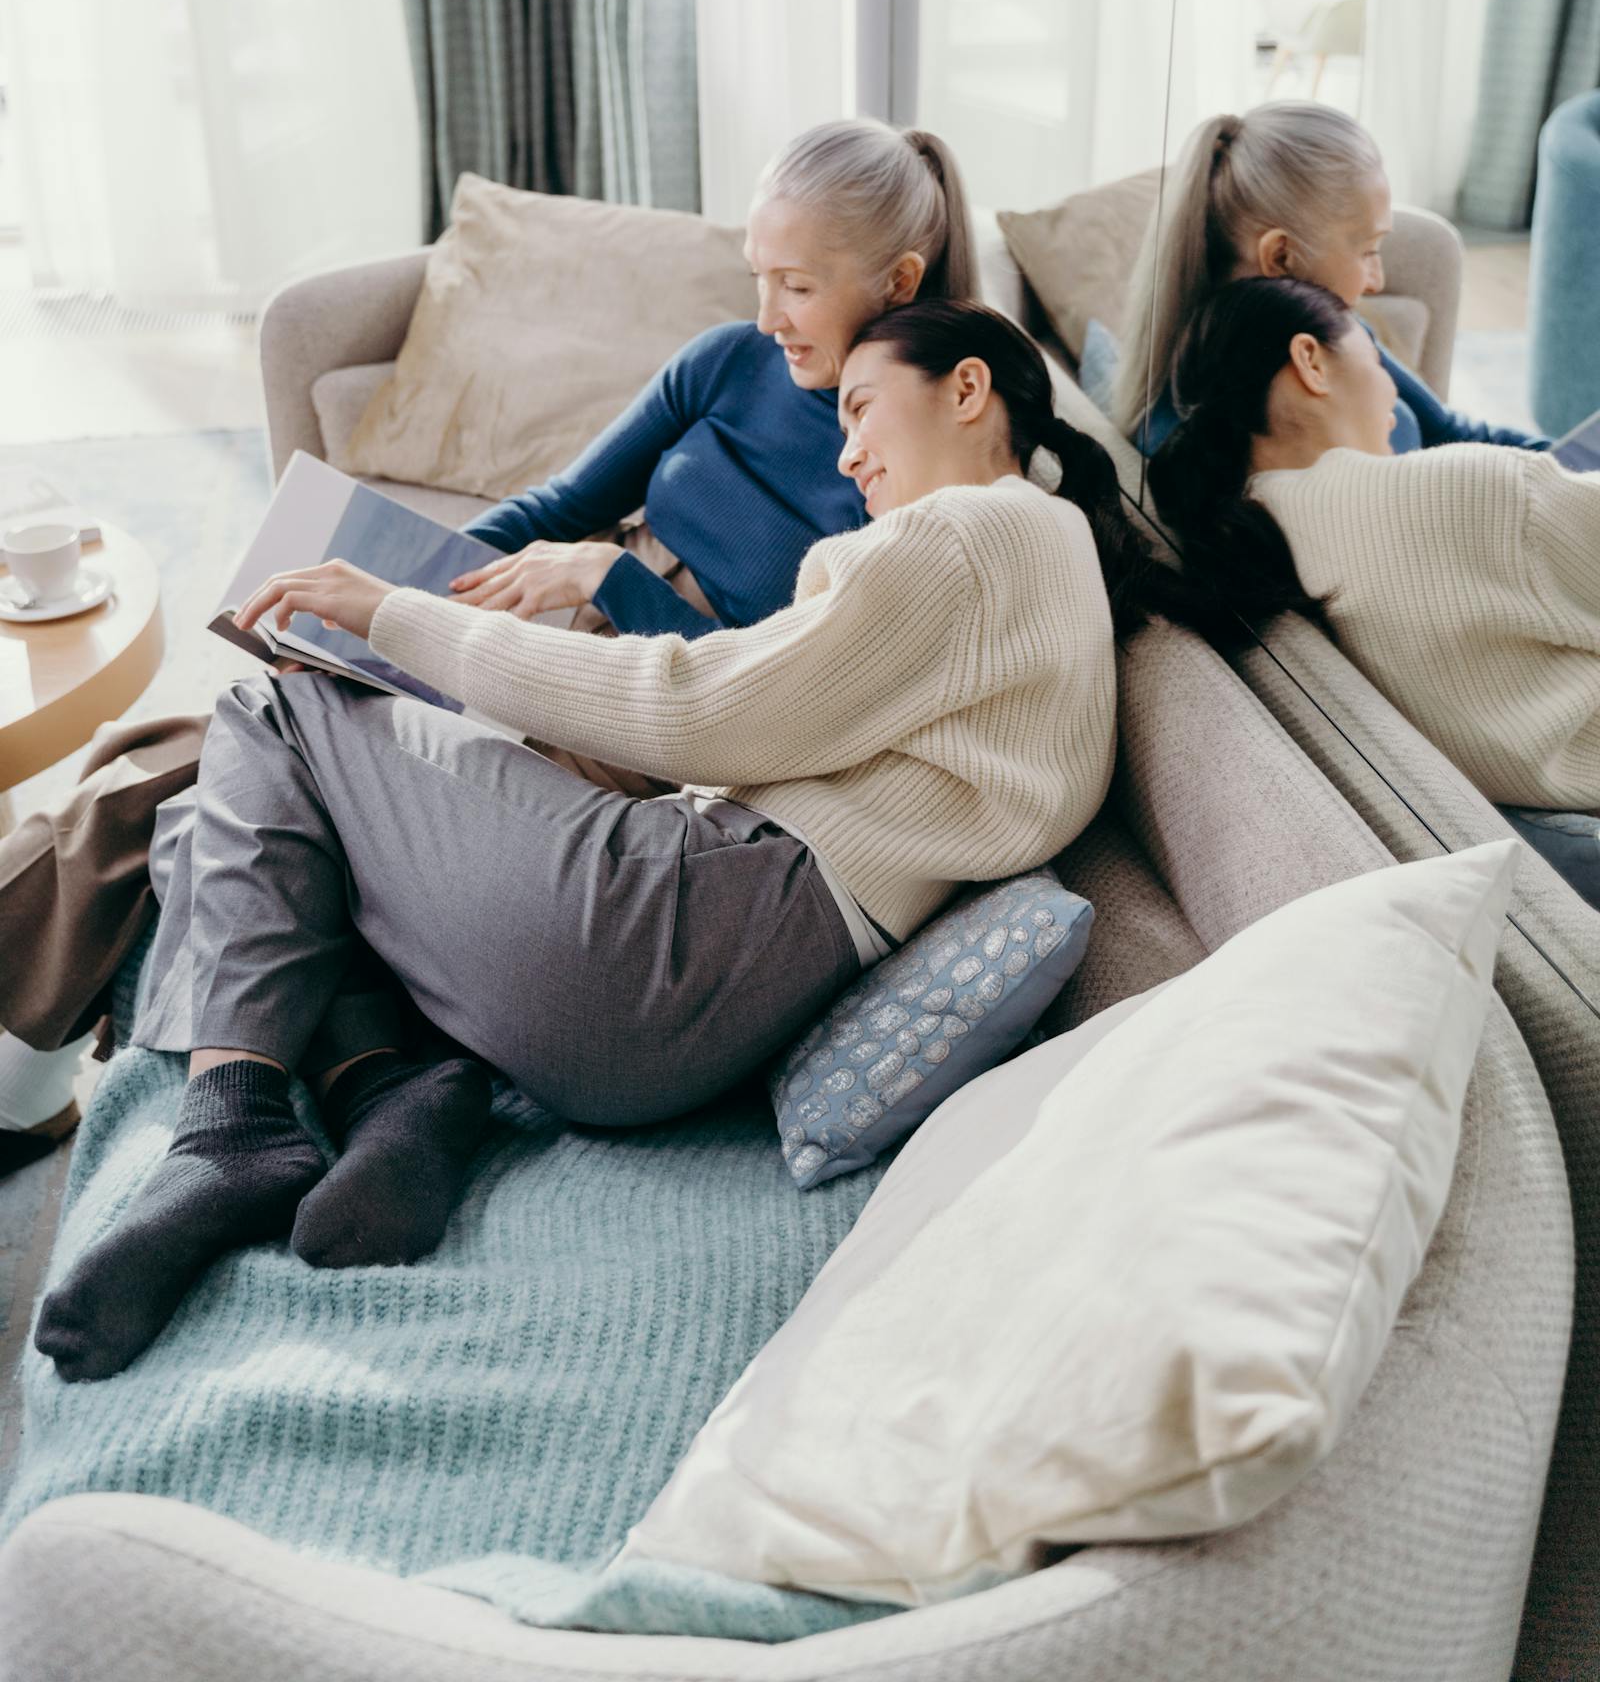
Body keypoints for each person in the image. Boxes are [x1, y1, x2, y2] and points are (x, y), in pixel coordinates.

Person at [34, 301, 1189, 1383]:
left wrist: (392, 612)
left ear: (968, 388)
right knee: (257, 811)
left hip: (675, 930)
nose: (844, 457)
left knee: (270, 708)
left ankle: (233, 1125)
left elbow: (697, 707)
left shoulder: (970, 535)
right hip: (689, 1021)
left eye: (858, 409)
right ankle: (393, 1091)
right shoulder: (1042, 564)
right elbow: (747, 733)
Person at [0, 119, 979, 1166]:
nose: (764, 315)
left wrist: (617, 582)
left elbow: (752, 701)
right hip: (553, 650)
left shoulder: (906, 472)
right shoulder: (726, 363)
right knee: (190, 754)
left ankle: (45, 1083)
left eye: (794, 286)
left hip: (651, 729)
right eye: (756, 276)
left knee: (190, 784)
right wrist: (396, 583)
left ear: (896, 281)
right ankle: (152, 1087)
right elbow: (563, 501)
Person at [1147, 275, 1600, 909]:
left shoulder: (1251, 542)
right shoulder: (1463, 494)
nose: (1392, 386)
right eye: (1376, 350)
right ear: (1311, 360)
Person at [1113, 101, 1548, 456]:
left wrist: (1566, 467)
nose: (1377, 280)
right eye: (1367, 251)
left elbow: (1451, 431)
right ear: (1281, 257)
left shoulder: (1334, 332)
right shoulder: (1218, 447)